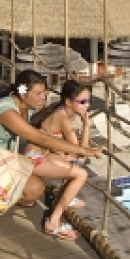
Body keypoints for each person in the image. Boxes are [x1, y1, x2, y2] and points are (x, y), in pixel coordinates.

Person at [0, 69, 103, 240]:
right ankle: (53, 222)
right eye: (38, 93)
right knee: (80, 173)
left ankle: (64, 197)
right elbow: (41, 138)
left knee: (34, 193)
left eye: (44, 93)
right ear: (23, 92)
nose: (43, 98)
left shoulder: (27, 108)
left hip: (8, 161)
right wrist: (85, 150)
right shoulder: (7, 111)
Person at [24, 79, 93, 207]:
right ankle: (65, 197)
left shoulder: (63, 111)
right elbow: (81, 151)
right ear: (68, 102)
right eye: (82, 102)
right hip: (34, 159)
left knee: (72, 158)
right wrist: (86, 126)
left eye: (89, 101)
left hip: (37, 155)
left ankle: (64, 195)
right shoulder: (63, 118)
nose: (86, 105)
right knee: (77, 162)